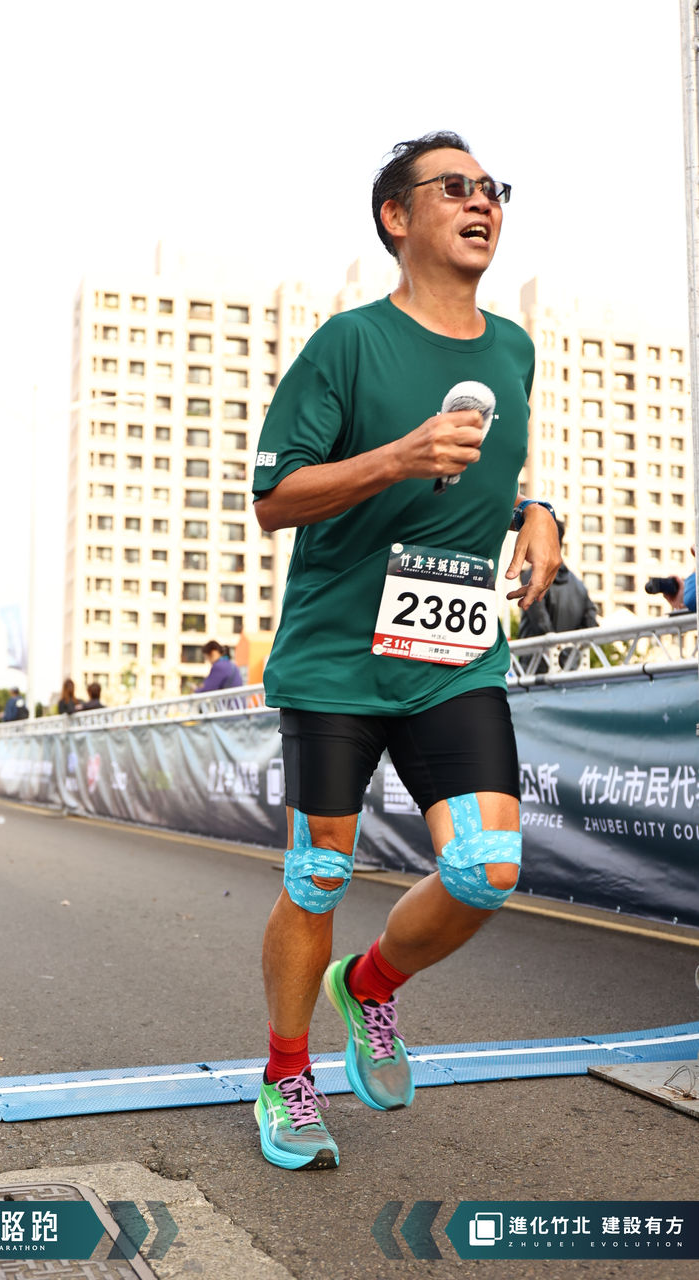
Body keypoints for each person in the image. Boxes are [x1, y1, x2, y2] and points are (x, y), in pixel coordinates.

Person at [250, 131, 561, 1171]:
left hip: (452, 654)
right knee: (318, 872)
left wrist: (537, 511)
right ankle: (285, 1074)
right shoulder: (347, 343)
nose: (481, 203)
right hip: (339, 655)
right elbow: (275, 496)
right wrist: (393, 456)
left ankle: (370, 984)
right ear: (397, 216)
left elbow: (484, 473)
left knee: (485, 866)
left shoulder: (511, 349)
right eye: (454, 187)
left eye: (491, 188)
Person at [517, 519, 598, 670]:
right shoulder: (579, 586)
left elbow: (541, 624)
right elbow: (591, 625)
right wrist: (569, 655)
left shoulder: (533, 578)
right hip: (569, 669)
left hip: (533, 670)